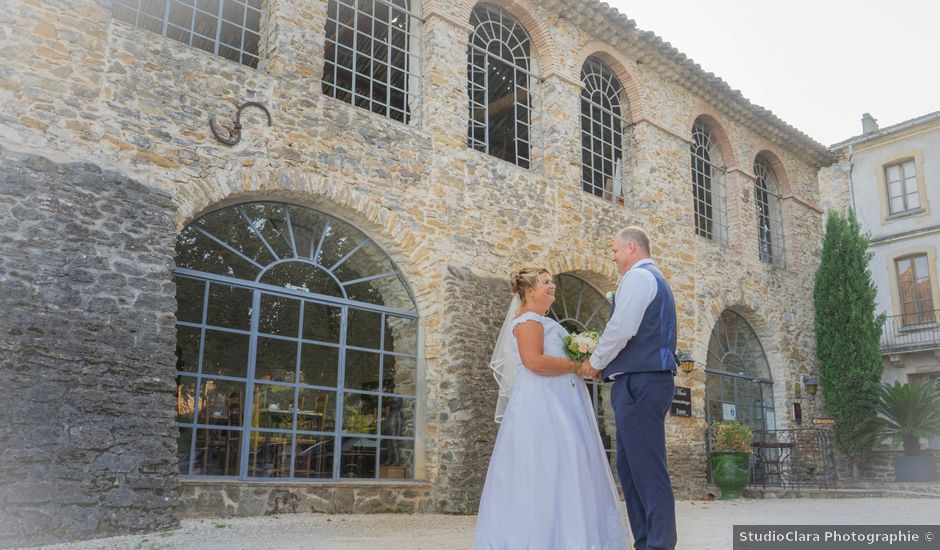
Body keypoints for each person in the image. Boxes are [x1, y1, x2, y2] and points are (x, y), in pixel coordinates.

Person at [473, 267, 627, 549]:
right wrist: (575, 366)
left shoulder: (541, 320)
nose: (552, 286)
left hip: (558, 400)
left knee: (564, 466)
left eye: (552, 281)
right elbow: (534, 362)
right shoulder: (530, 320)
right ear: (530, 290)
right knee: (548, 466)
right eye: (546, 282)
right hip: (542, 404)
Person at [578, 226, 678, 550]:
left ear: (632, 248)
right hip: (637, 380)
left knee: (646, 467)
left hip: (642, 381)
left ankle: (659, 544)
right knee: (631, 466)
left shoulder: (639, 277)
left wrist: (595, 361)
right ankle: (645, 541)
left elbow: (621, 328)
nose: (613, 256)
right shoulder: (650, 279)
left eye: (615, 250)